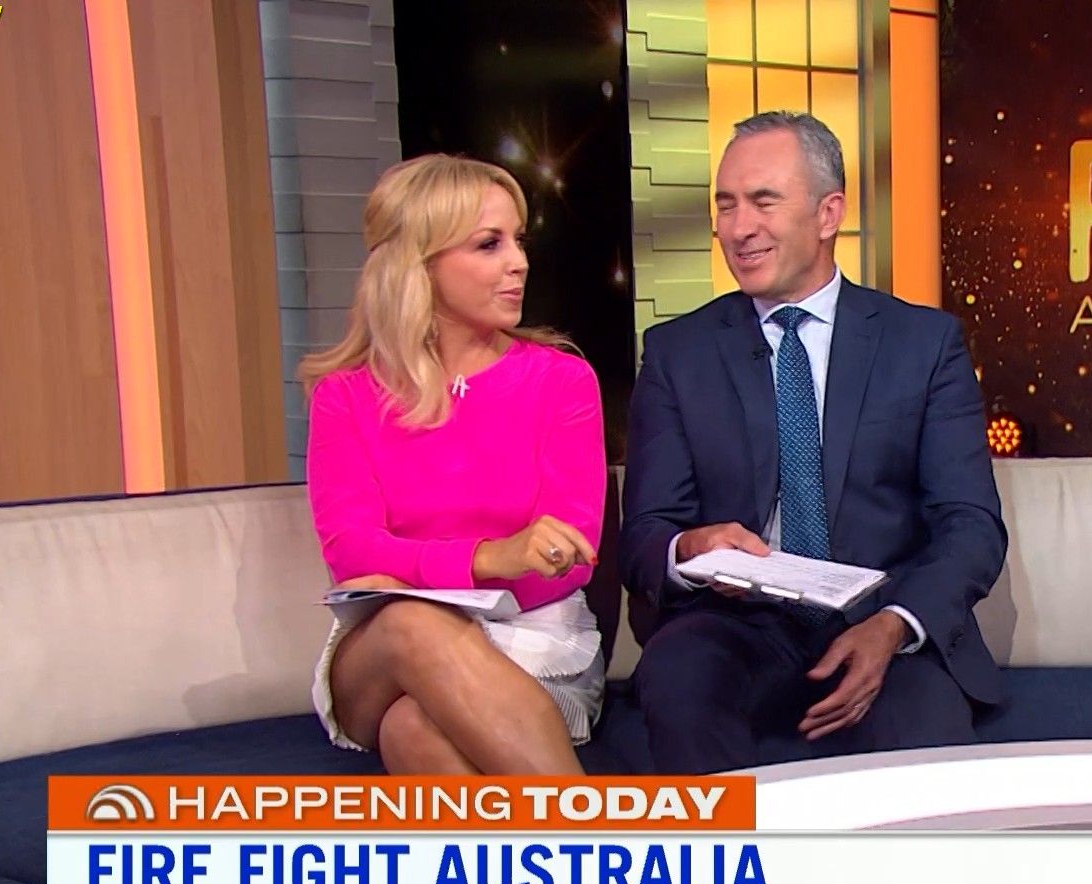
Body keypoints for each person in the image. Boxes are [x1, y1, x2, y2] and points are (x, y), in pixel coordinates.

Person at [620, 111, 1006, 773]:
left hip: (882, 619)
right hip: (732, 626)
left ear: (829, 214)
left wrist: (894, 626)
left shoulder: (923, 344)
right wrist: (692, 549)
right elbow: (645, 535)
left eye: (763, 202)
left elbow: (971, 525)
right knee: (681, 676)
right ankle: (732, 845)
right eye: (726, 205)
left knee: (924, 736)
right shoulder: (677, 353)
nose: (738, 228)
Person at [301, 154, 606, 775]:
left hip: (535, 641)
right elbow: (354, 554)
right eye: (489, 244)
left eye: (518, 241)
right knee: (411, 622)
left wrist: (425, 568)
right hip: (384, 654)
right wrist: (488, 558)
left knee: (412, 727)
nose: (519, 262)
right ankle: (599, 829)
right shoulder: (346, 397)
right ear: (419, 264)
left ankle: (564, 834)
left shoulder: (562, 382)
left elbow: (569, 554)